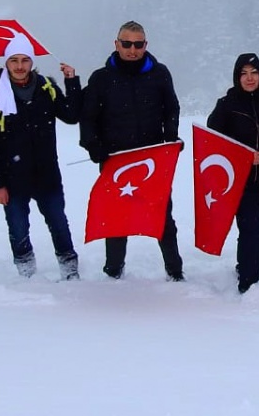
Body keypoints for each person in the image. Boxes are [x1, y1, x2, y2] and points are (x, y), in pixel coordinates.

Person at [73, 21, 183, 281]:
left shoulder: (159, 73)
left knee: (162, 216)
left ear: (145, 45)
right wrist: (92, 145)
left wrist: (170, 137)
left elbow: (172, 108)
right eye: (126, 44)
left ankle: (175, 271)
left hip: (152, 159)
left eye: (138, 44)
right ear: (116, 44)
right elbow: (88, 117)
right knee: (115, 218)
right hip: (115, 160)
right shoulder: (101, 78)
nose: (132, 50)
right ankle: (113, 271)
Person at [0, 33, 82, 281]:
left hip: (47, 174)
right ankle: (27, 275)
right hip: (12, 178)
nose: (20, 66)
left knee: (59, 223)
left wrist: (71, 81)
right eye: (14, 60)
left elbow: (71, 115)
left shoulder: (46, 88)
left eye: (25, 60)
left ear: (32, 62)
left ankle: (70, 271)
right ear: (6, 62)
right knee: (18, 227)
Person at [207, 53, 259, 293]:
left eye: (254, 73)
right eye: (244, 74)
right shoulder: (226, 104)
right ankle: (249, 281)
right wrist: (243, 157)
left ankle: (244, 265)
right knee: (251, 226)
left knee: (255, 224)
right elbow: (213, 140)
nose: (249, 78)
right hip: (238, 179)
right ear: (237, 77)